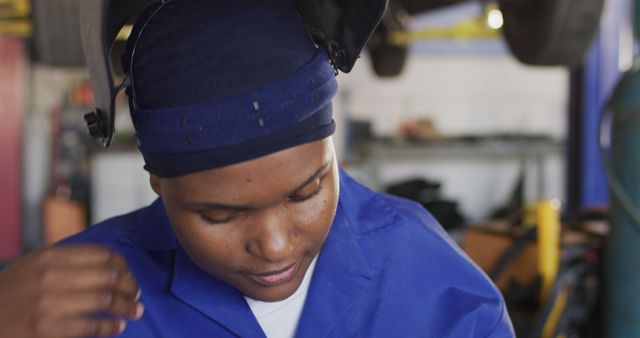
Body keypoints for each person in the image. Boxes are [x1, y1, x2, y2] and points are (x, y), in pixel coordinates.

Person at [0, 0, 515, 337]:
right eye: (220, 215)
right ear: (158, 182)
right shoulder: (62, 306)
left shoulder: (440, 291)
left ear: (333, 154)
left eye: (306, 192)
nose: (274, 245)